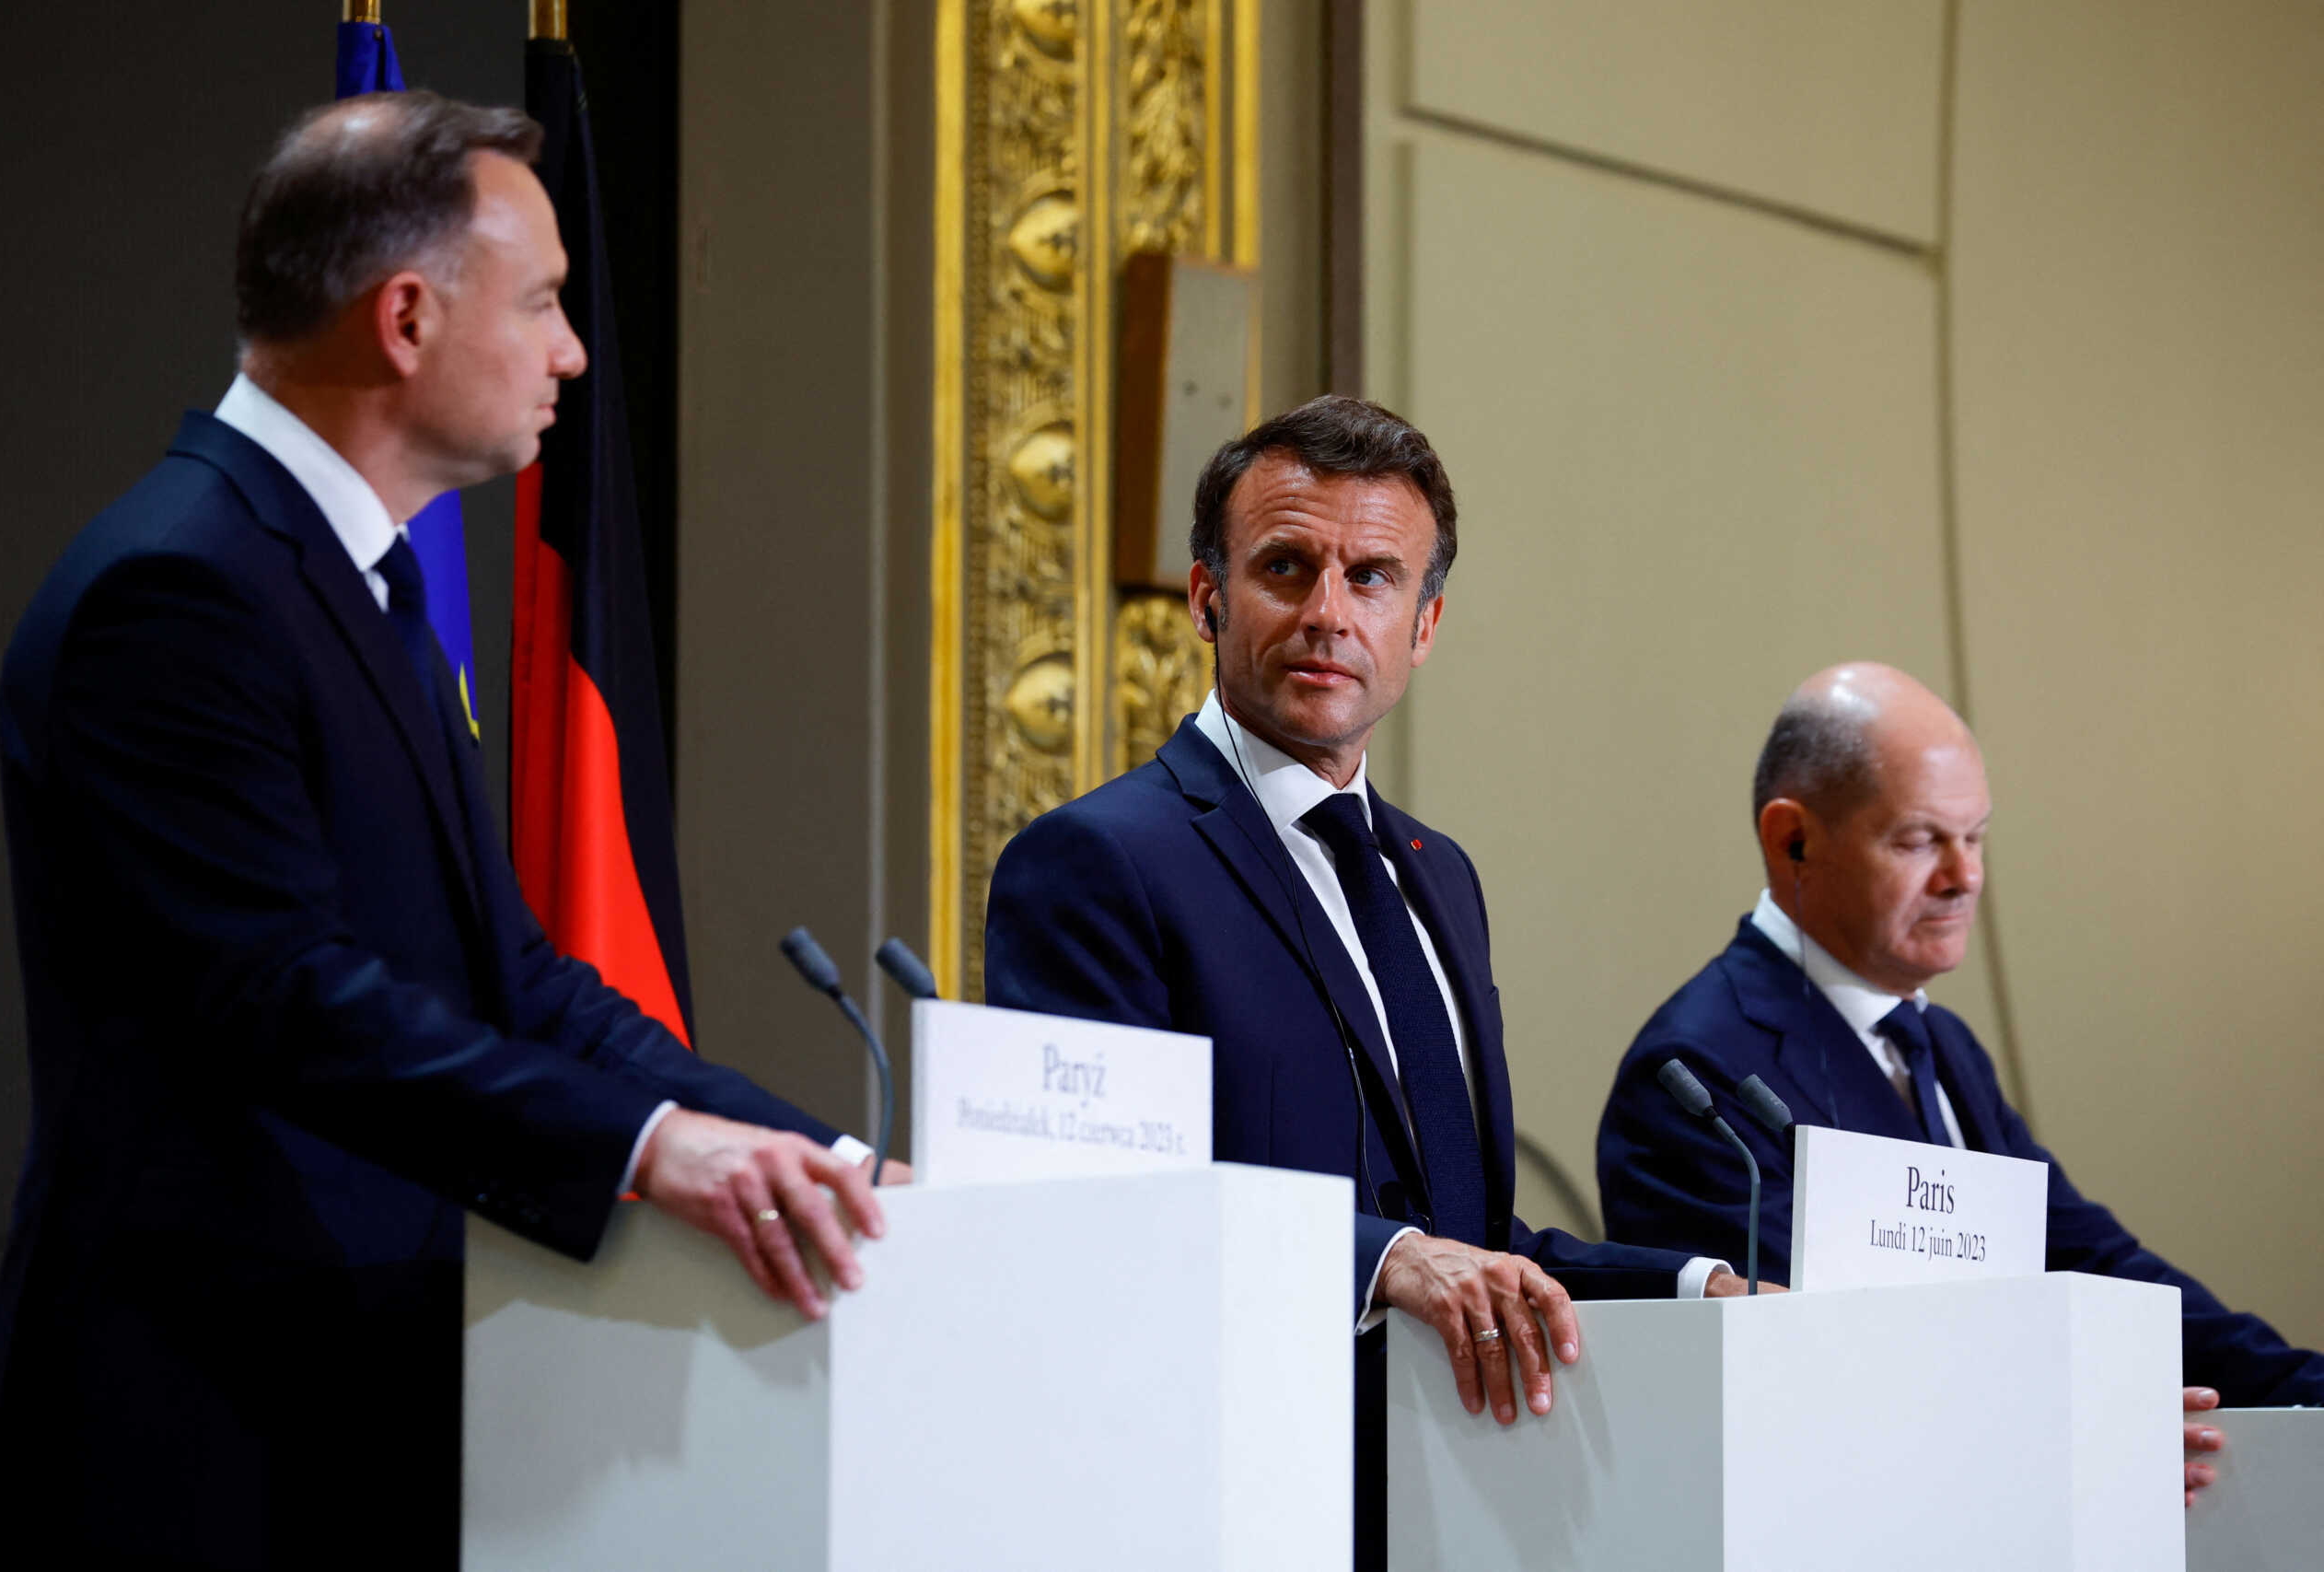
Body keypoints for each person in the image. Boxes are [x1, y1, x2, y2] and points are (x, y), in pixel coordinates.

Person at [0, 93, 897, 1568]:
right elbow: (286, 1000)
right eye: (540, 302)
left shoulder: (360, 580)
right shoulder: (179, 590)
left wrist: (817, 1152)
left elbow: (512, 980)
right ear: (405, 318)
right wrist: (657, 1151)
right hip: (195, 1437)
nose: (572, 353)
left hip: (360, 1408)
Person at [985, 396, 1743, 1567]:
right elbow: (1100, 1206)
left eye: (1372, 578)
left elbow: (1465, 1236)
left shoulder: (1441, 879)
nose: (1328, 614)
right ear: (1205, 598)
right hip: (1219, 1504)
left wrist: (1700, 1289)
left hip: (1456, 1503)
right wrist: (1380, 1263)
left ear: (1424, 622)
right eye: (1286, 568)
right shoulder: (1100, 862)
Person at [1596, 660, 2324, 1507]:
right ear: (1793, 837)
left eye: (1975, 837)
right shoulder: (1695, 1071)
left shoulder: (1942, 1045)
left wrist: (2304, 1388)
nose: (1964, 876)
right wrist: (2087, 1426)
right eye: (1919, 840)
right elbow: (1809, 1366)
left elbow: (2089, 1261)